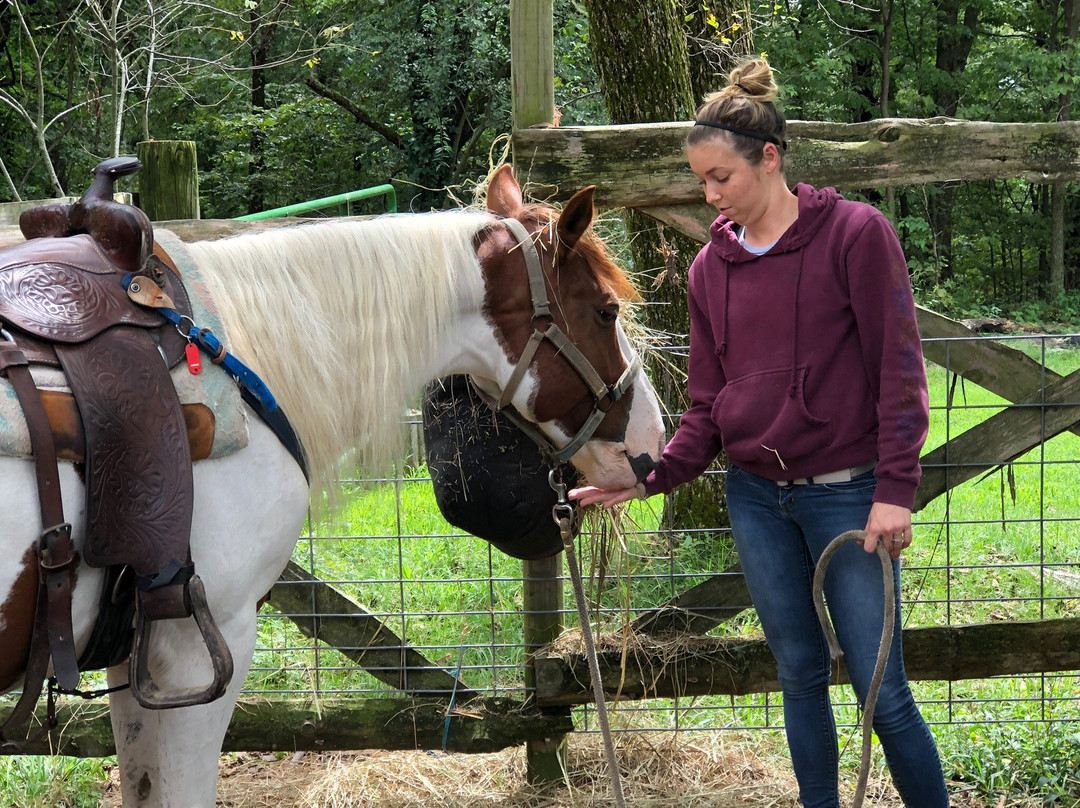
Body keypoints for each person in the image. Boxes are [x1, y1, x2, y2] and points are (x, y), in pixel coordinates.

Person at [570, 57, 950, 808]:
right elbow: (709, 407)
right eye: (701, 180)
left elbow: (899, 372)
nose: (709, 195)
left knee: (884, 691)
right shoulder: (710, 270)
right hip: (757, 500)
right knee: (799, 676)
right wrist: (649, 477)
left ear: (769, 159)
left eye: (721, 177)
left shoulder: (855, 236)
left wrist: (896, 492)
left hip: (850, 497)